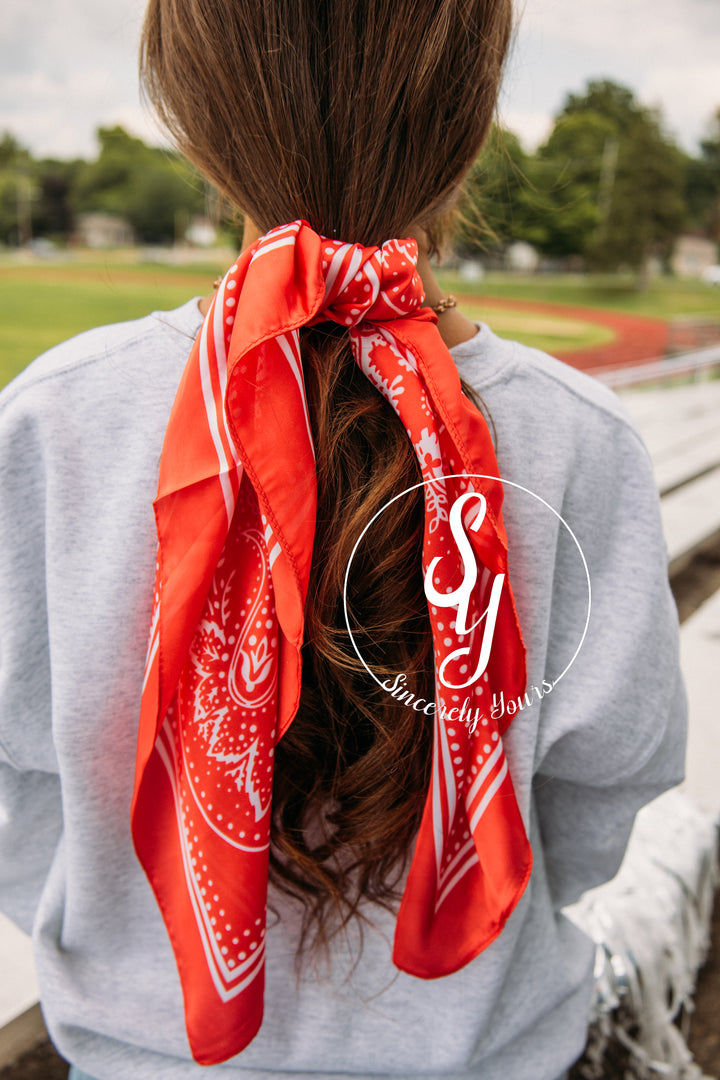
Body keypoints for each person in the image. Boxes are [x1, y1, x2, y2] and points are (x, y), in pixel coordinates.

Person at [0, 2, 686, 1079]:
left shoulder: (57, 420)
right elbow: (607, 789)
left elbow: (21, 791)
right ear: (472, 111)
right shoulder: (580, 442)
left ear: (191, 116)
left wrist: (120, 914)